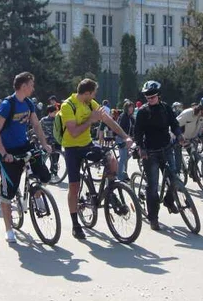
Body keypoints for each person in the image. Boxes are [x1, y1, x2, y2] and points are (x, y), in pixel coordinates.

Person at [60, 78, 133, 240]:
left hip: (87, 144)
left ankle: (111, 190)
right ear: (86, 93)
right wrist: (90, 120)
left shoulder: (91, 103)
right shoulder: (68, 106)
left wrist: (125, 136)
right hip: (72, 148)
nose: (94, 96)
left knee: (111, 158)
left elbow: (110, 121)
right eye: (93, 93)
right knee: (73, 186)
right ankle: (75, 224)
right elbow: (73, 132)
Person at [0, 72, 52, 243]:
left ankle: (37, 196)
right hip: (9, 151)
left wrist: (45, 144)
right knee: (7, 193)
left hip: (24, 146)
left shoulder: (28, 103)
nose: (33, 88)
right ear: (24, 86)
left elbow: (36, 125)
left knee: (43, 174)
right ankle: (9, 229)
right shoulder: (7, 105)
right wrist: (4, 154)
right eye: (31, 84)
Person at [134, 81, 185, 231]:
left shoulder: (166, 108)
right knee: (153, 187)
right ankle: (153, 218)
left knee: (175, 178)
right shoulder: (143, 112)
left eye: (153, 97)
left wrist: (179, 135)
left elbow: (174, 124)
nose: (150, 100)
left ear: (159, 96)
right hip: (150, 153)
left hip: (167, 148)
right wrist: (141, 148)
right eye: (147, 98)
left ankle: (169, 201)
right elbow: (138, 133)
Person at [39, 105, 62, 176]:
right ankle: (45, 171)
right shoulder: (43, 120)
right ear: (49, 112)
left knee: (56, 157)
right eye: (54, 112)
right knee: (48, 156)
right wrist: (44, 136)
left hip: (57, 141)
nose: (56, 113)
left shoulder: (58, 119)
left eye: (56, 112)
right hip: (48, 141)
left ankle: (54, 171)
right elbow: (40, 129)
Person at [116, 101, 136, 181]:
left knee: (127, 157)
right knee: (123, 158)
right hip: (121, 138)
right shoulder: (123, 116)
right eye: (129, 107)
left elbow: (134, 127)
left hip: (128, 139)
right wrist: (125, 138)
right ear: (126, 108)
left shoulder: (131, 117)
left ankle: (124, 174)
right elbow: (120, 129)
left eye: (132, 107)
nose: (131, 109)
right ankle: (120, 177)